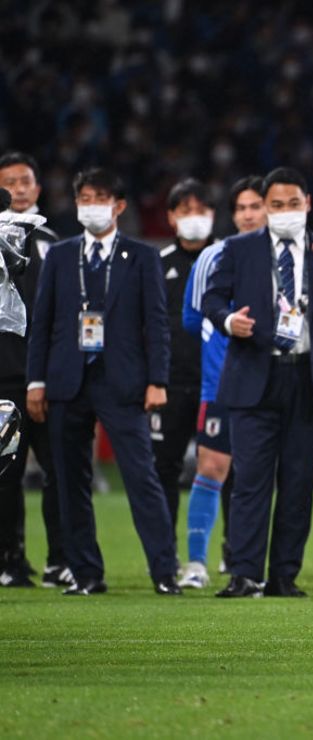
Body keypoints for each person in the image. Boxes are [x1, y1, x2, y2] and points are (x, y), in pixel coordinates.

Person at [202, 167, 313, 598]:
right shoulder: (239, 250)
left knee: (297, 483)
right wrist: (226, 319)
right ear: (266, 208)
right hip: (256, 373)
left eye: (293, 204)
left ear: (307, 204)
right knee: (250, 480)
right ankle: (244, 574)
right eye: (276, 205)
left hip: (309, 378)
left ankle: (283, 577)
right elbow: (212, 298)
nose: (284, 212)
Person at [25, 167, 179, 596]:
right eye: (84, 198)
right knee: (69, 481)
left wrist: (158, 380)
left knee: (141, 477)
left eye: (100, 197)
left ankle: (164, 572)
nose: (91, 205)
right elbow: (42, 323)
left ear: (120, 205)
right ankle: (86, 573)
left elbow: (157, 325)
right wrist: (36, 381)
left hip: (123, 381)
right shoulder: (59, 255)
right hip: (66, 381)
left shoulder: (143, 256)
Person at [177, 175, 266, 588]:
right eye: (242, 208)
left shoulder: (286, 257)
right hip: (221, 383)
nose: (249, 215)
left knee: (258, 475)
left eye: (256, 206)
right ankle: (196, 563)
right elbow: (194, 320)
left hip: (272, 382)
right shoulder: (213, 257)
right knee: (211, 467)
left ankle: (248, 562)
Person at [0, 152, 69, 588]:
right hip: (4, 374)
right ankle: (11, 559)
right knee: (5, 475)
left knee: (58, 471)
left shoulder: (56, 242)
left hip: (46, 376)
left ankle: (60, 558)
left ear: (38, 189)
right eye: (9, 182)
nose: (19, 188)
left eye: (25, 180)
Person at [152, 178, 216, 546]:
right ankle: (165, 552)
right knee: (164, 469)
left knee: (227, 469)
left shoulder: (228, 258)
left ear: (213, 214)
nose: (194, 217)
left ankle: (231, 552)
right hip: (171, 383)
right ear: (171, 217)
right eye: (185, 210)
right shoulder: (157, 265)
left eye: (201, 209)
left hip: (219, 384)